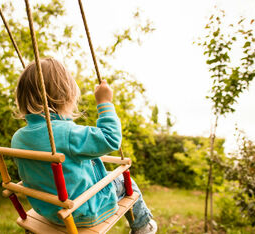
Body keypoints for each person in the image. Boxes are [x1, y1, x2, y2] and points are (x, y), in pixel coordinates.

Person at [11, 58, 157, 234]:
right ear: (65, 96)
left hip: (48, 211)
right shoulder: (68, 133)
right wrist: (105, 103)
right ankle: (143, 227)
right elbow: (110, 138)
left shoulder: (18, 138)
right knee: (126, 181)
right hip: (82, 210)